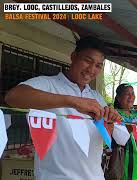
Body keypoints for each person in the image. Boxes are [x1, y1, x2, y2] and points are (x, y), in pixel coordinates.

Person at [5, 36, 122, 180]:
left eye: (98, 65)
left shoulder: (97, 97)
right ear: (73, 57)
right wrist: (72, 101)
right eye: (88, 61)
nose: (91, 69)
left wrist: (109, 122)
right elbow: (13, 97)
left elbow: (105, 137)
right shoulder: (48, 84)